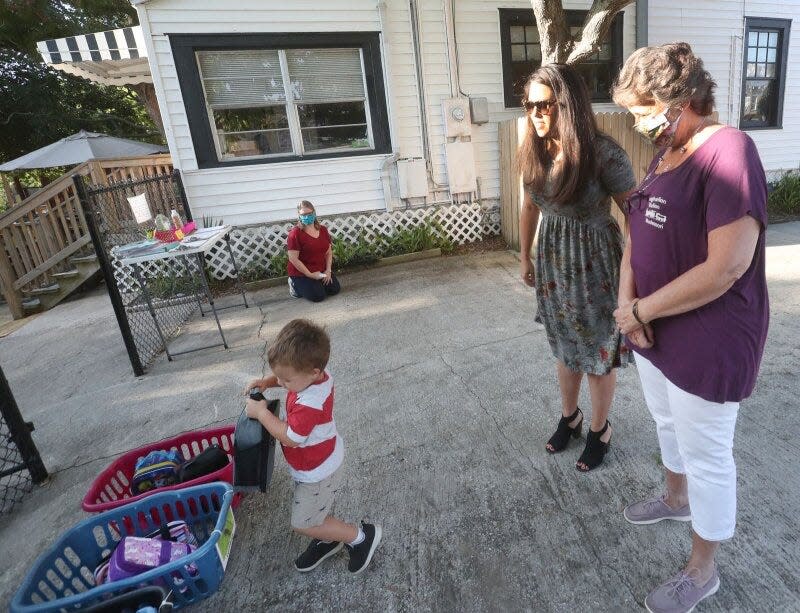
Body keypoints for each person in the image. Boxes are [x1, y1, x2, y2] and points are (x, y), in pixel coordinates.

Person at [611, 42, 769, 613]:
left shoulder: (728, 150)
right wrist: (629, 307)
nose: (639, 121)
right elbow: (635, 235)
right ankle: (674, 498)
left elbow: (727, 266)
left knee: (707, 454)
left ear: (681, 100)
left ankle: (703, 571)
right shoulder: (664, 154)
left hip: (709, 334)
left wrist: (642, 312)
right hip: (652, 328)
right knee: (665, 423)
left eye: (644, 108)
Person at [517, 64, 636, 471]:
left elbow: (637, 218)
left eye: (545, 105)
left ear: (567, 105)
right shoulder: (534, 149)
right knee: (566, 345)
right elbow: (530, 205)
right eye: (529, 104)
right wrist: (524, 255)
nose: (535, 113)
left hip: (596, 262)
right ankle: (571, 418)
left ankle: (601, 429)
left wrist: (633, 279)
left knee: (599, 351)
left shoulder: (603, 153)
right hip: (554, 260)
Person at [245, 318, 382, 573]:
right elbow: (290, 374)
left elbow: (291, 437)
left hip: (318, 470)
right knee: (315, 512)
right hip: (317, 460)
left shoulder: (311, 402)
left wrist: (262, 414)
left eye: (286, 380)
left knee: (302, 523)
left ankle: (360, 538)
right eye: (279, 377)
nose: (282, 384)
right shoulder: (315, 375)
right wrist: (268, 381)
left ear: (314, 373)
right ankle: (328, 538)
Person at [286, 201, 341, 302]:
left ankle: (314, 284)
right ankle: (295, 286)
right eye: (303, 215)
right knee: (318, 296)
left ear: (314, 213)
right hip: (301, 272)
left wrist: (328, 271)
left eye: (309, 214)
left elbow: (328, 252)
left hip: (320, 269)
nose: (307, 217)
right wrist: (310, 275)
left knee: (334, 289)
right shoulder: (295, 234)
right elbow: (293, 259)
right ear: (299, 216)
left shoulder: (323, 230)